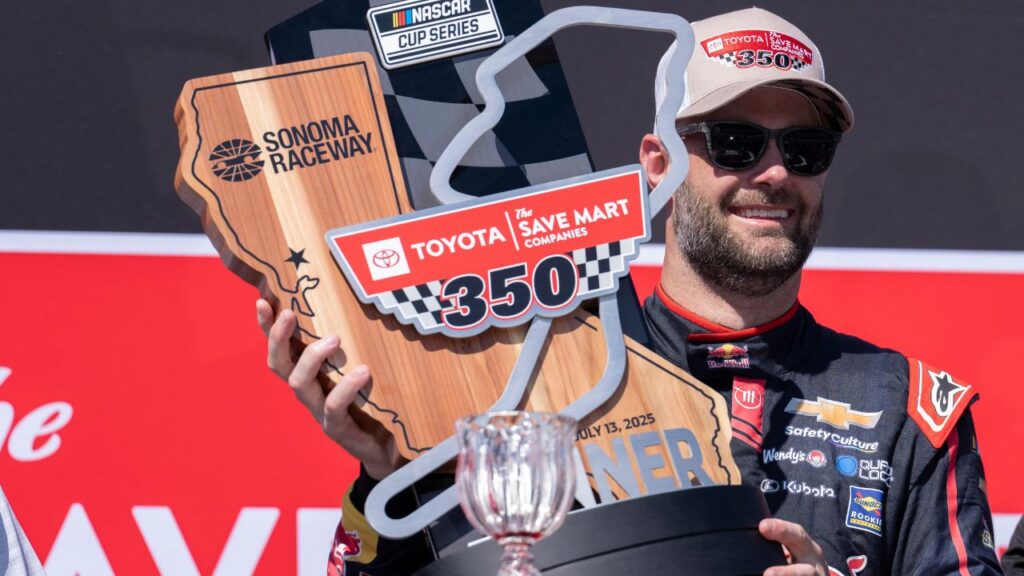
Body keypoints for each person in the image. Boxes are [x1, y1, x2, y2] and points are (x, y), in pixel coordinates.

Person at [257, 7, 1003, 576]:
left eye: (804, 149)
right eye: (735, 142)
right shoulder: (536, 369)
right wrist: (391, 470)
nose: (775, 173)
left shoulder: (907, 409)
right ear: (657, 163)